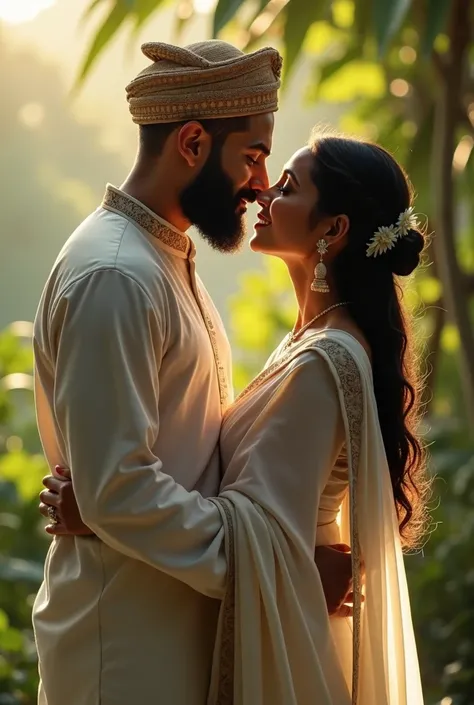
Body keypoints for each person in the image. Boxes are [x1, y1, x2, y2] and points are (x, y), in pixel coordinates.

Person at [40, 131, 430, 704]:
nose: (263, 191)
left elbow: (264, 525)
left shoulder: (326, 361)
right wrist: (107, 504)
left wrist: (107, 510)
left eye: (288, 186)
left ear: (332, 229)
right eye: (260, 165)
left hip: (296, 637)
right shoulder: (308, 342)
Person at [32, 40, 353, 705]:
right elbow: (119, 487)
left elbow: (127, 484)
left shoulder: (163, 260)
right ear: (192, 142)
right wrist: (284, 574)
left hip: (167, 639)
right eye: (254, 156)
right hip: (120, 654)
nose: (261, 184)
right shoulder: (116, 274)